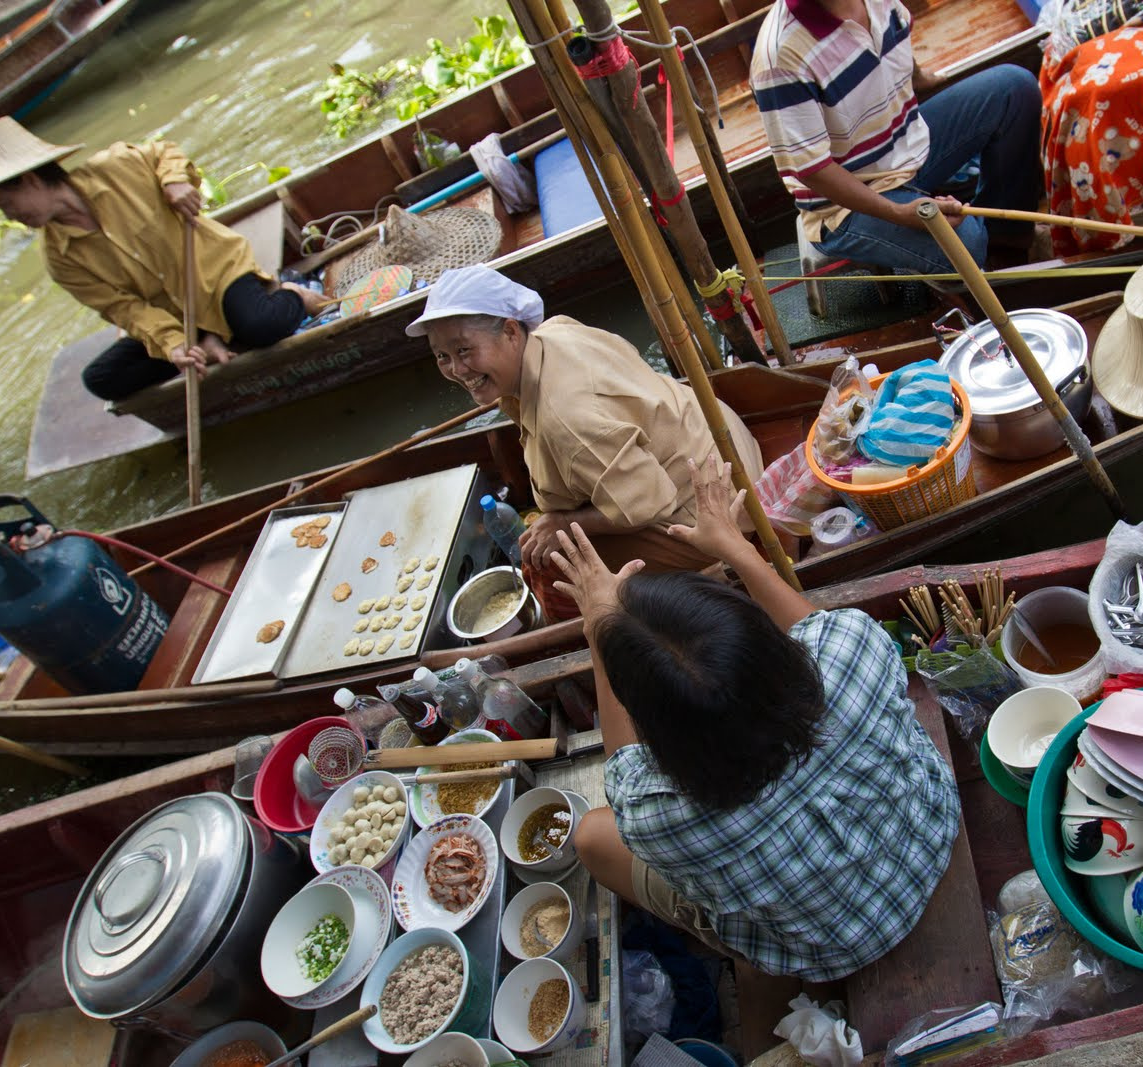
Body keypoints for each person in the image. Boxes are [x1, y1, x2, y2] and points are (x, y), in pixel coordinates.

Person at [546, 454, 961, 979]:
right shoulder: (853, 650)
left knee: (591, 839)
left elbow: (623, 763)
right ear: (759, 639)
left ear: (658, 726)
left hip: (834, 954)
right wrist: (736, 548)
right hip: (930, 832)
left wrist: (599, 631)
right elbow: (810, 627)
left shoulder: (661, 819)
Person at [406, 265, 765, 598]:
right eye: (442, 357)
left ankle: (704, 579)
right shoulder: (552, 331)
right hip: (720, 436)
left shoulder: (566, 420)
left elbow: (647, 503)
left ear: (512, 332)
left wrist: (563, 521)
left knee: (560, 561)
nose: (457, 369)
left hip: (724, 505)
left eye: (464, 350)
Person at [0, 118, 325, 400]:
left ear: (30, 180)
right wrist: (174, 344)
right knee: (102, 379)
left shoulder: (115, 169)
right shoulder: (60, 258)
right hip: (172, 315)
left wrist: (174, 181)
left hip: (213, 273)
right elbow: (125, 309)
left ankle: (293, 295)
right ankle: (211, 337)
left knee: (262, 325)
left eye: (6, 205)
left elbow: (163, 151)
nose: (11, 218)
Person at [750, 0, 1043, 275]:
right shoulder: (780, 56)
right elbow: (813, 170)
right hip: (846, 204)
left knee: (1014, 90)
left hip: (908, 143)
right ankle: (977, 256)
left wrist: (921, 78)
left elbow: (897, 36)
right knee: (965, 245)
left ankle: (1007, 240)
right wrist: (900, 213)